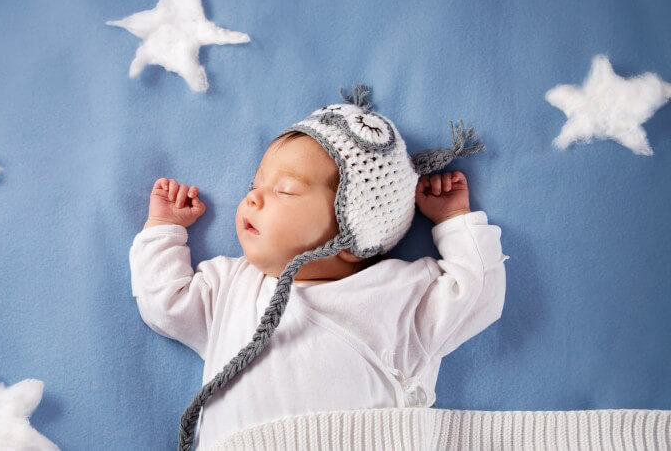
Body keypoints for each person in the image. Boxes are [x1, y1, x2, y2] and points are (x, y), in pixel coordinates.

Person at [129, 85, 509, 450]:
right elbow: (164, 302)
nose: (253, 197)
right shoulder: (230, 287)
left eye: (285, 190)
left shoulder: (397, 295)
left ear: (354, 233)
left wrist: (454, 220)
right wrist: (164, 229)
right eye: (255, 184)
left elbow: (477, 295)